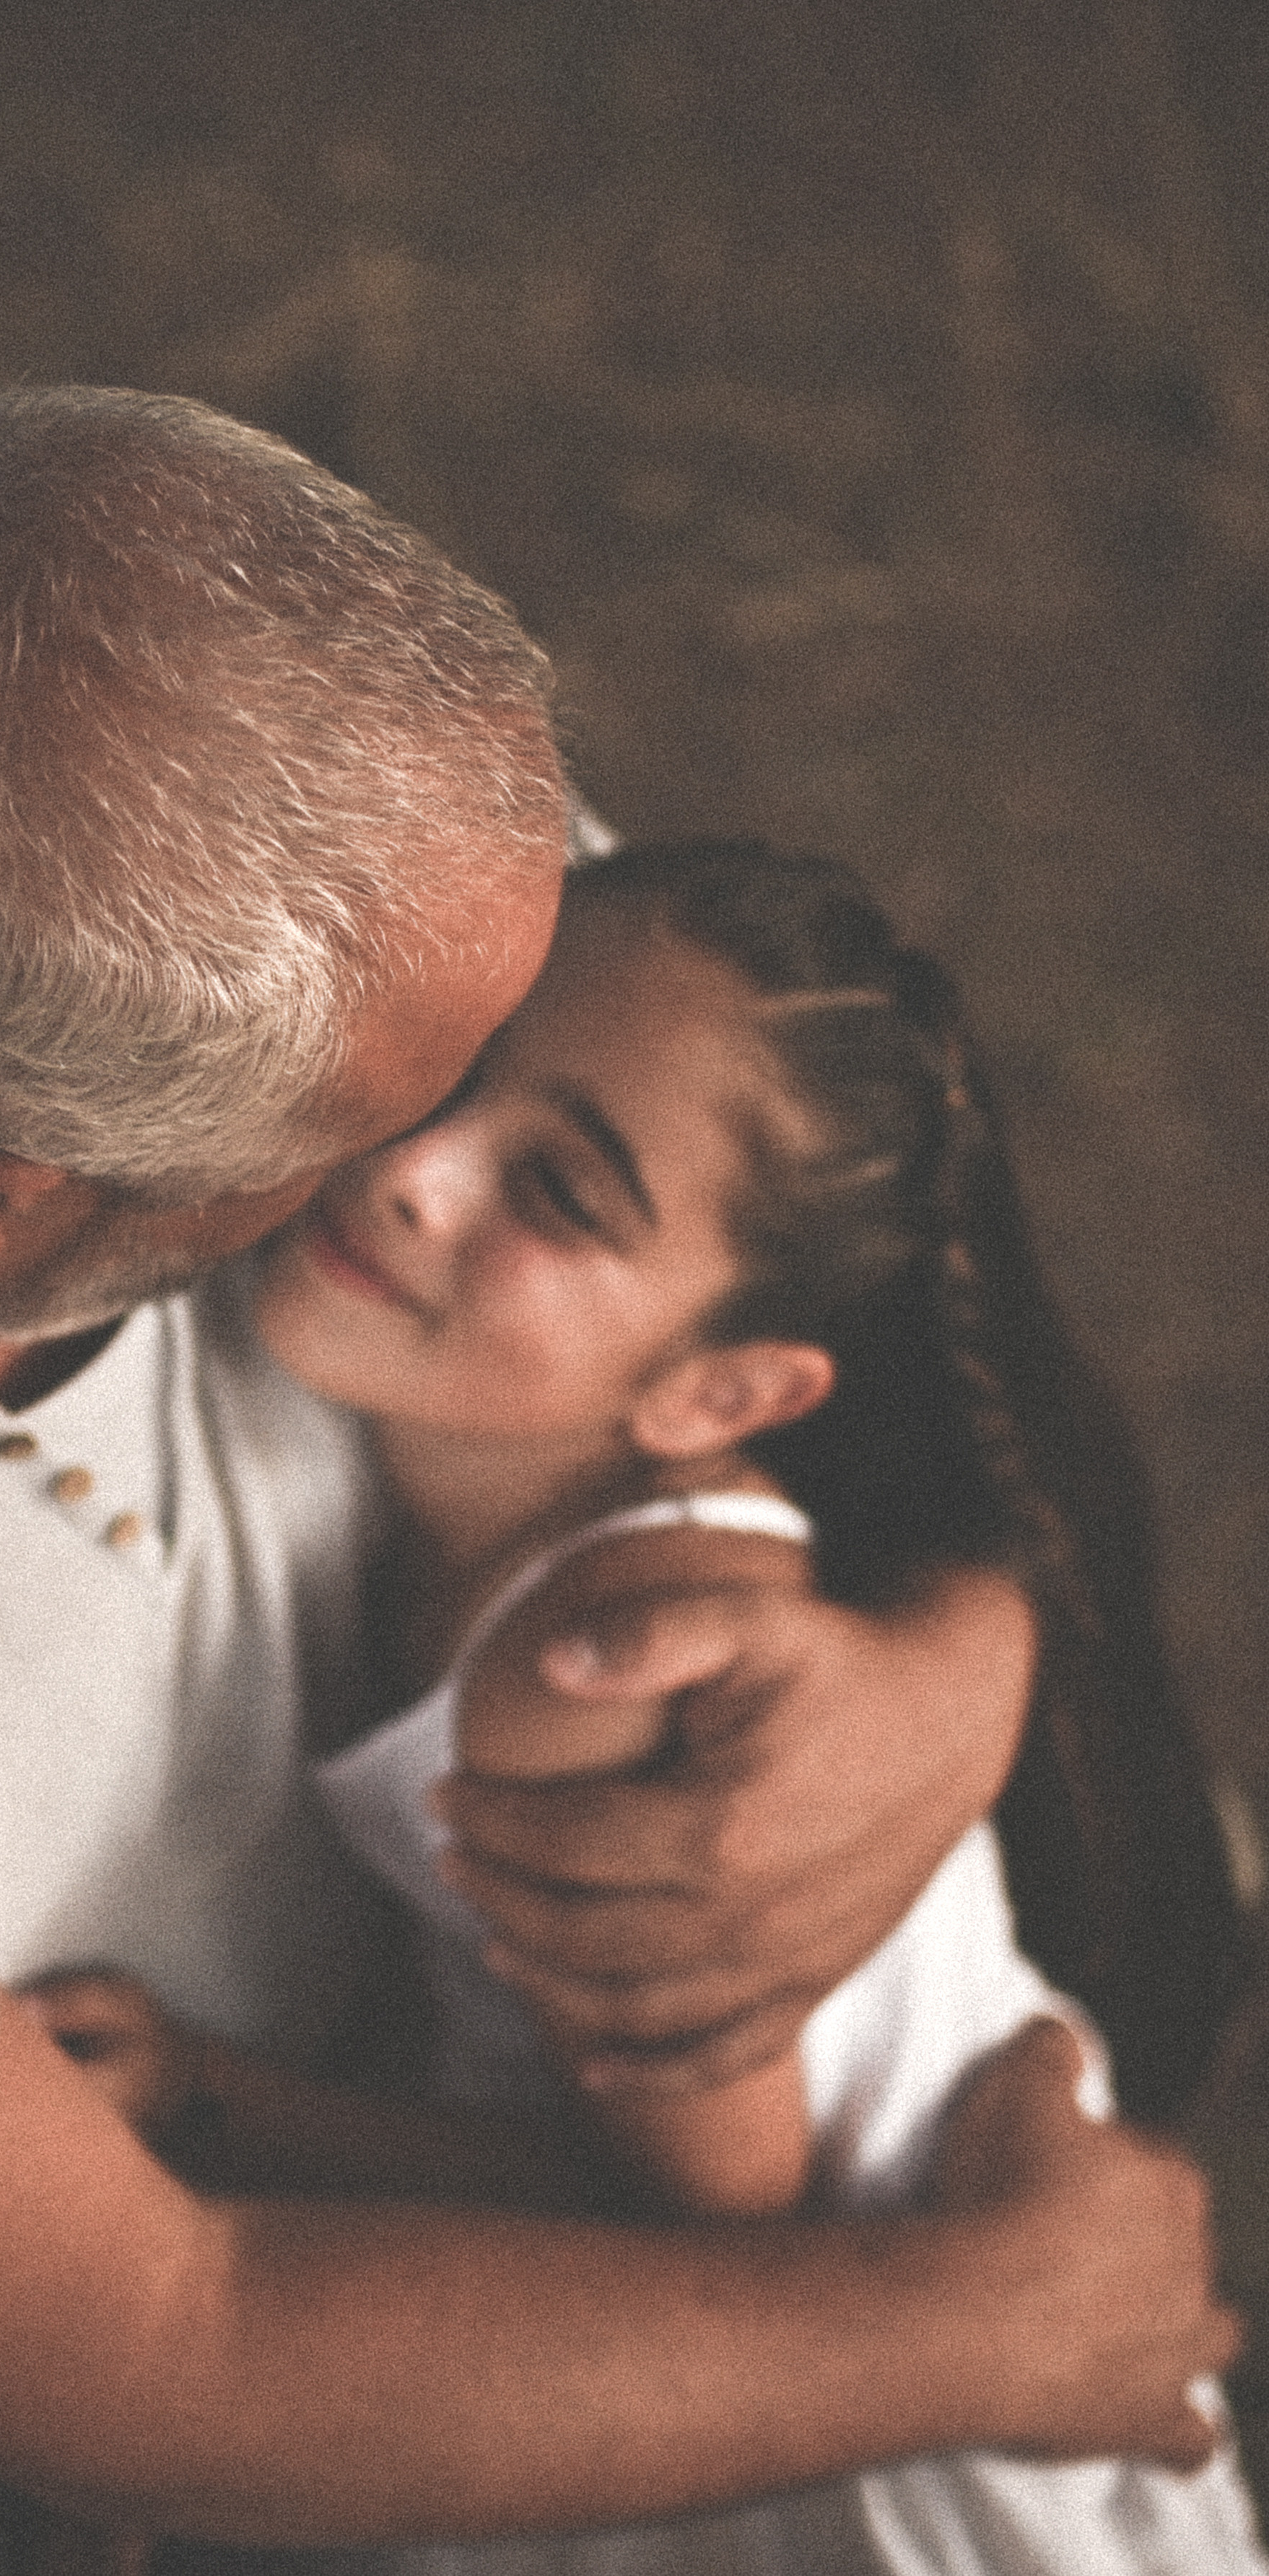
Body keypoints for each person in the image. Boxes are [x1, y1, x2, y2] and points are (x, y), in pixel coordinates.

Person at [0, 387, 1239, 2571]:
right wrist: (983, 2324)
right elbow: (178, 2350)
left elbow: (844, 1267)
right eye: (396, 1110)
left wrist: (964, 1650)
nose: (437, 1157)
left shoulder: (157, 810)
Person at [232, 836, 1263, 2569]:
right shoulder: (513, 1532)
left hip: (850, 2444)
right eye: (459, 1067)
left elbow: (707, 2234)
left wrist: (221, 2107)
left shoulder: (590, 1672)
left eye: (560, 1194)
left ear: (719, 1389)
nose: (417, 1165)